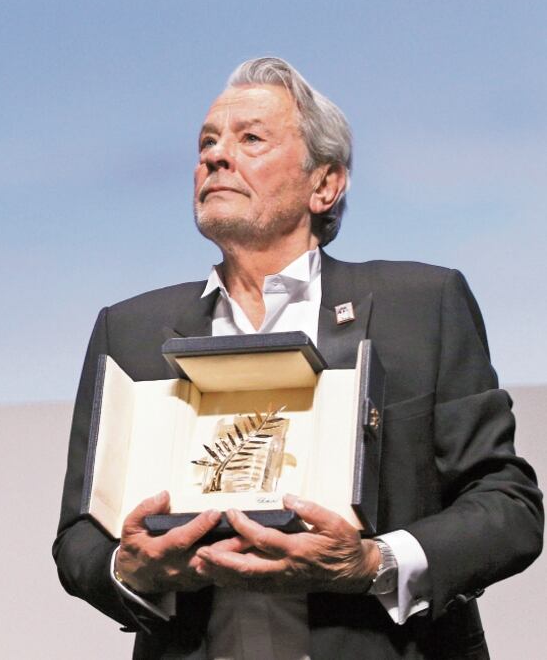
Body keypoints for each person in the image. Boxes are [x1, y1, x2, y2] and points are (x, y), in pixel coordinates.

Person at [53, 58, 543, 659]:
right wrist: (132, 569)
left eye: (250, 138)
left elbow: (507, 506)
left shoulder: (421, 307)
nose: (216, 156)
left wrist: (373, 562)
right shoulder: (127, 331)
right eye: (207, 141)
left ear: (325, 184)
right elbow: (80, 537)